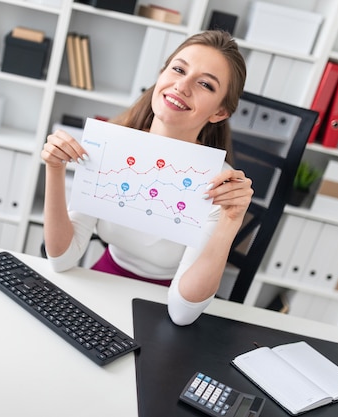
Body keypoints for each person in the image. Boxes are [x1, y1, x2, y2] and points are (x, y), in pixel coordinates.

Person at [40, 30, 254, 326]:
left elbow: (181, 313)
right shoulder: (109, 145)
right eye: (178, 69)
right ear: (161, 74)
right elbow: (61, 260)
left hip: (165, 304)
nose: (182, 86)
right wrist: (55, 169)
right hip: (103, 282)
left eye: (205, 84)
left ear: (220, 111)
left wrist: (231, 223)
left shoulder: (219, 184)